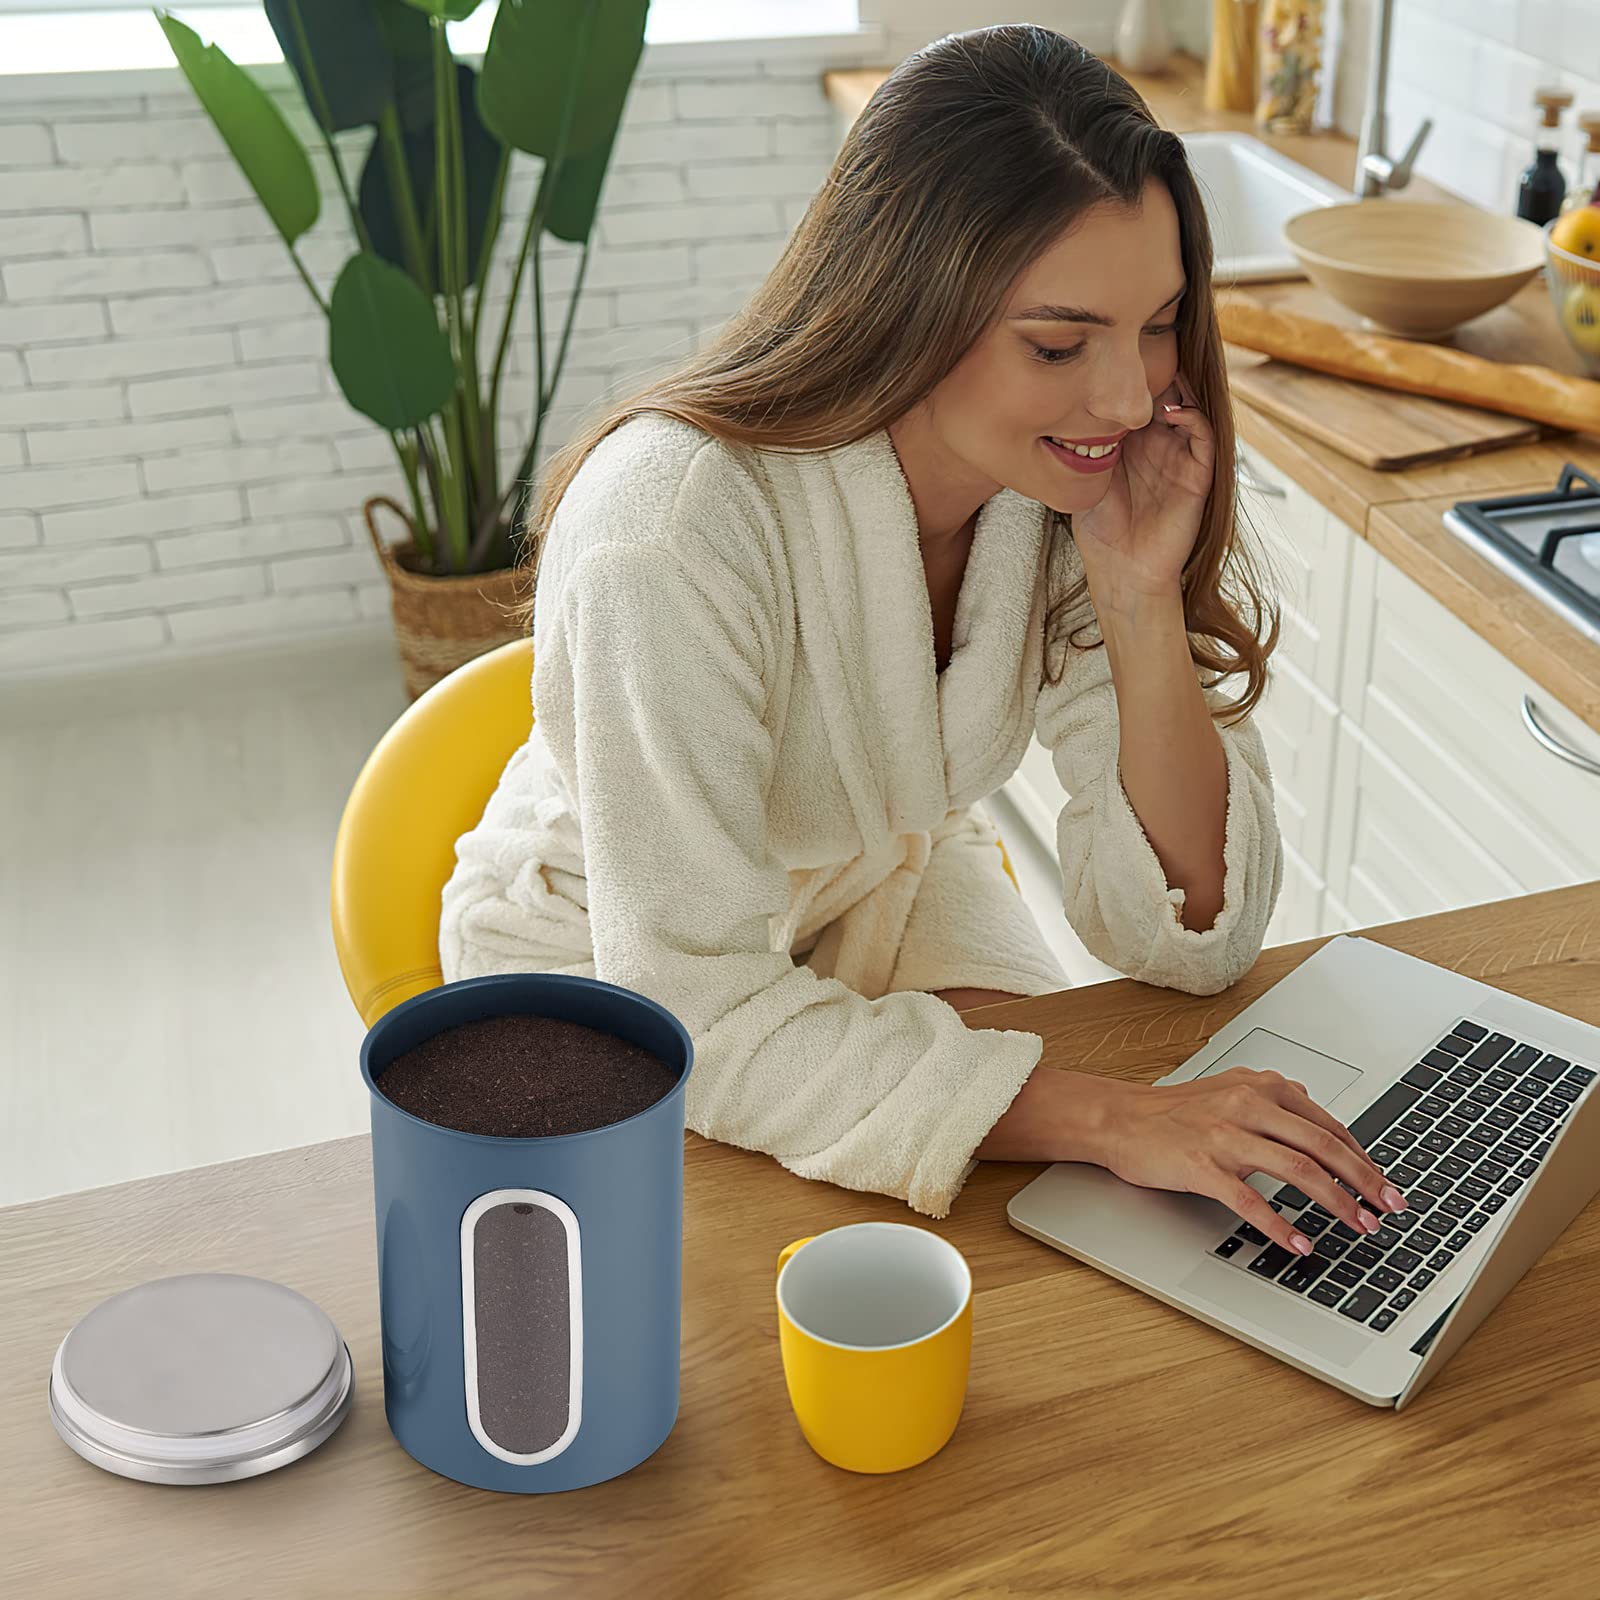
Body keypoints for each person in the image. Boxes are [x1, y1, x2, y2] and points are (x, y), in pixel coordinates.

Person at [439, 25, 1409, 1252]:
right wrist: (1107, 1118)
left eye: (1158, 322)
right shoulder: (669, 529)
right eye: (1058, 344)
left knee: (1092, 1236)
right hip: (609, 977)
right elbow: (690, 1008)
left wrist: (1134, 590)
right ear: (907, 300)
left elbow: (1193, 933)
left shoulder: (1066, 485)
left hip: (873, 897)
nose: (1125, 397)